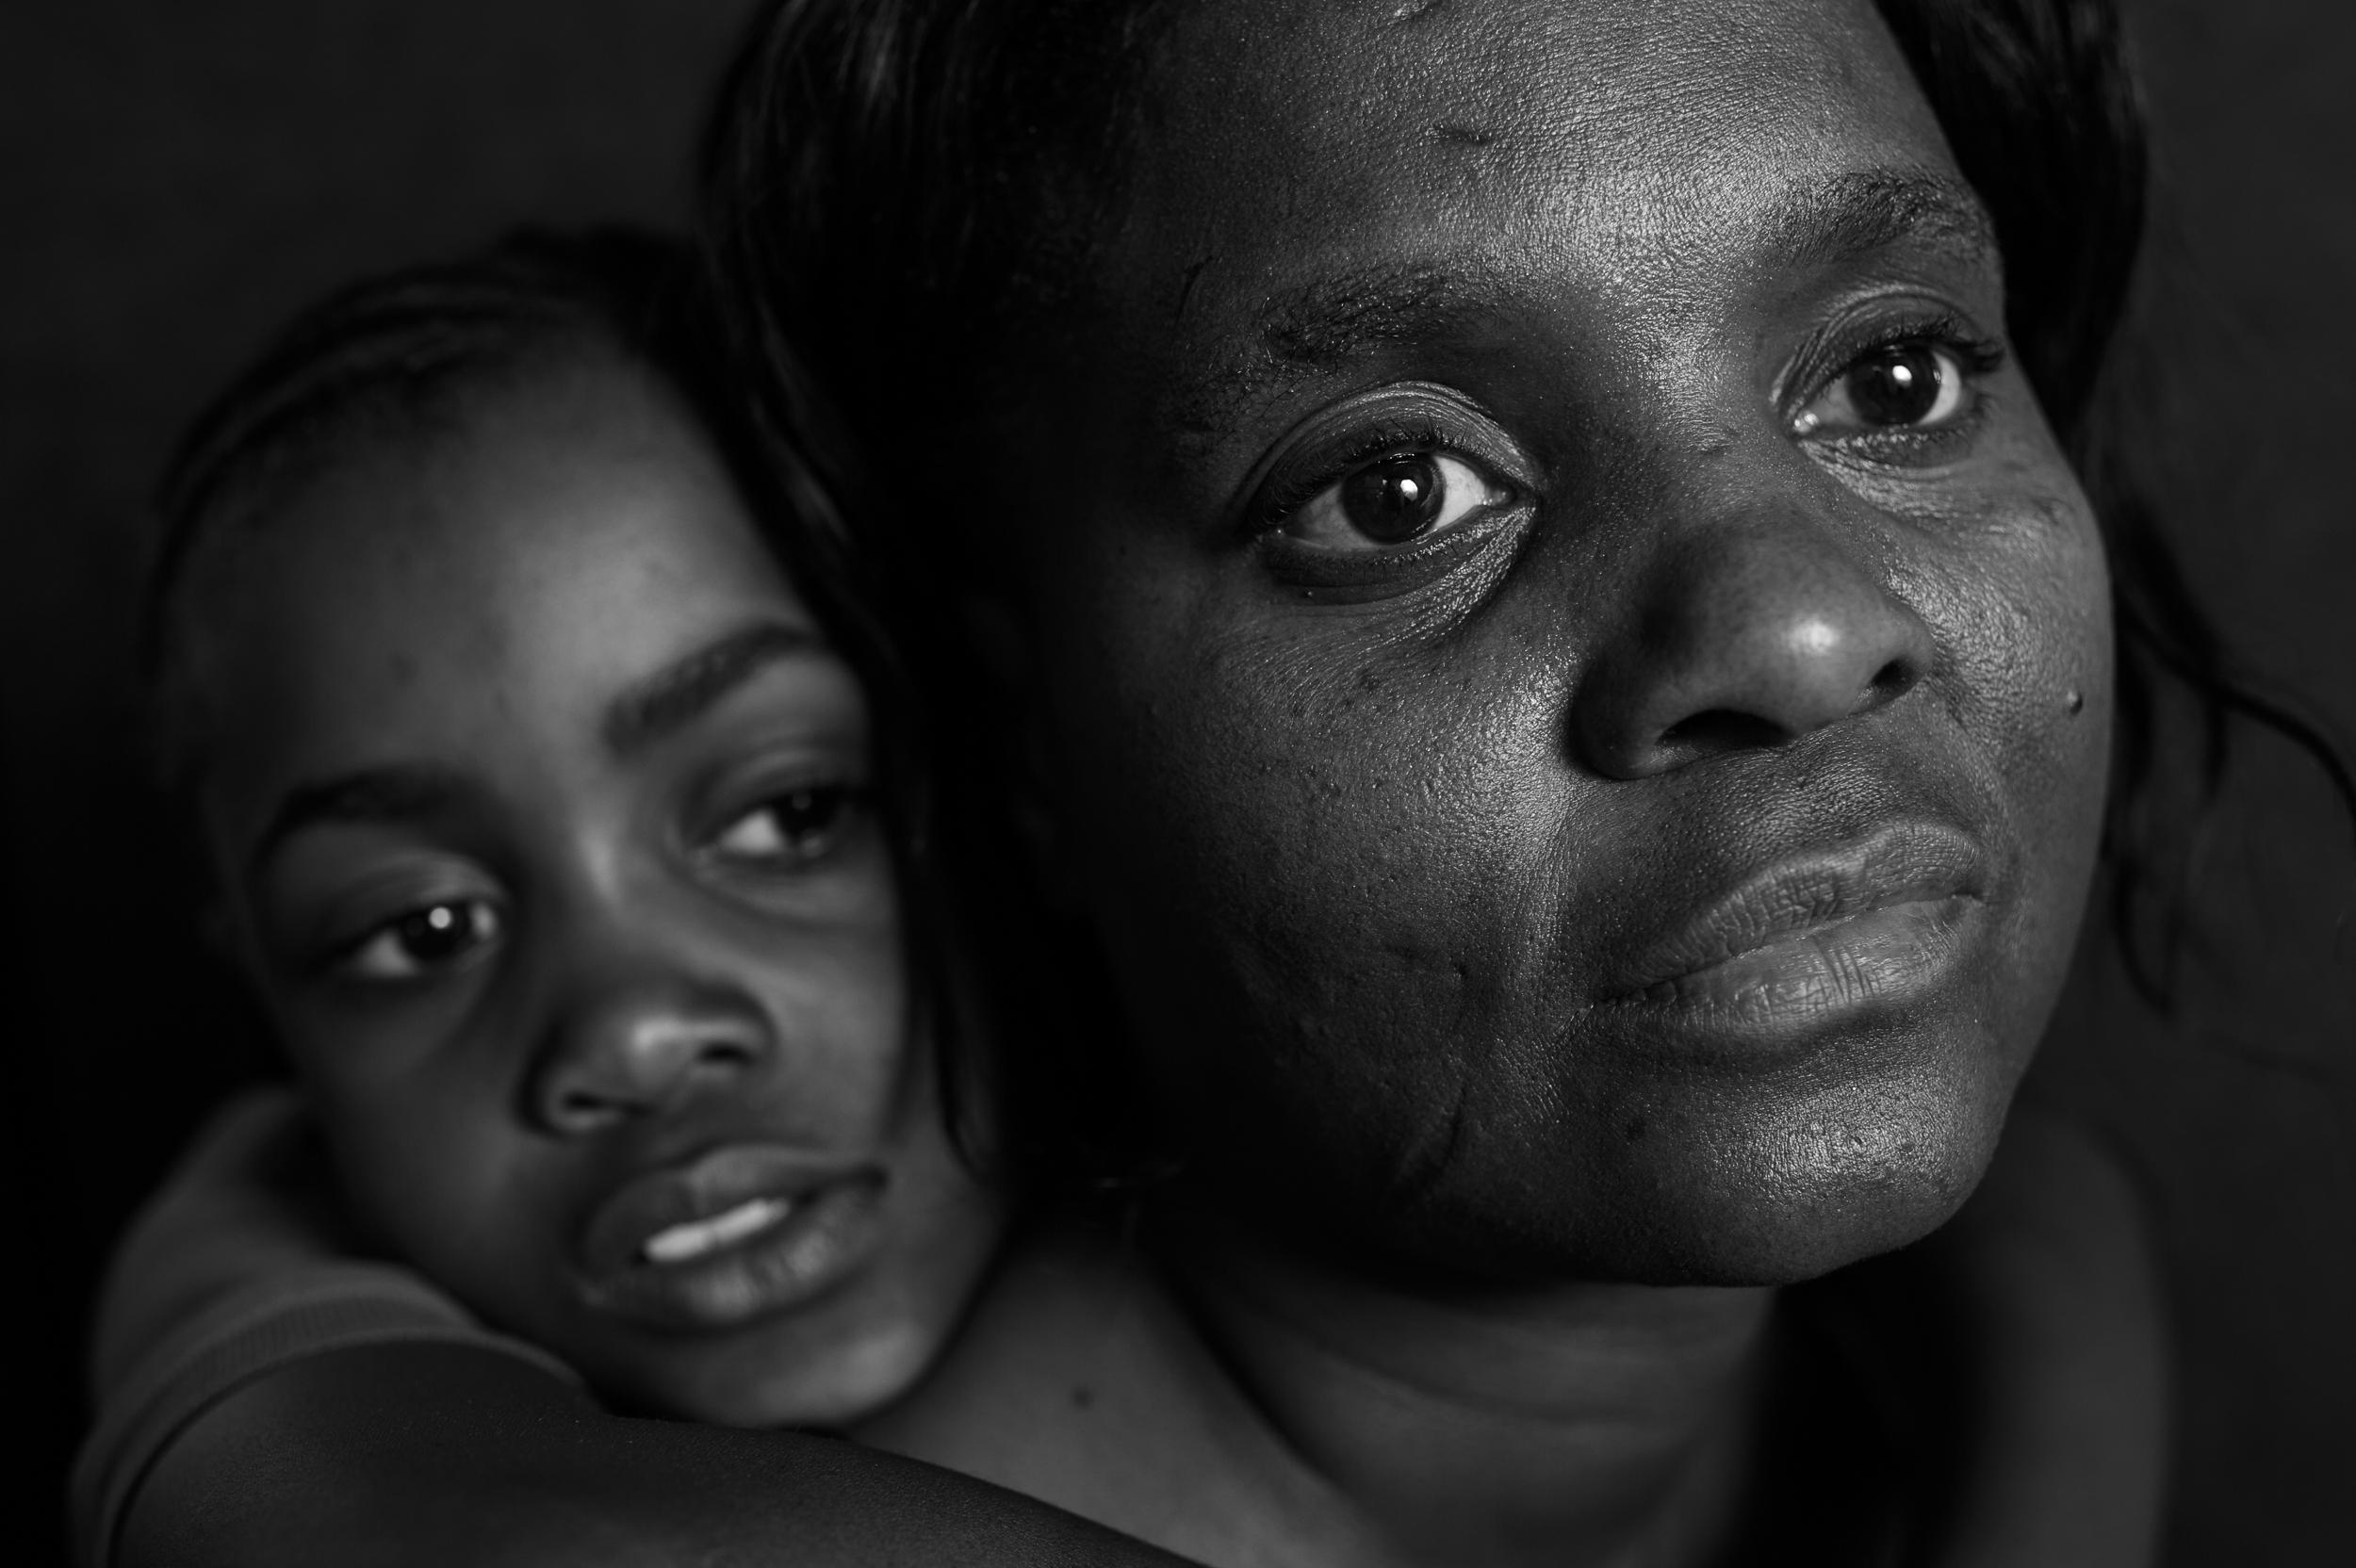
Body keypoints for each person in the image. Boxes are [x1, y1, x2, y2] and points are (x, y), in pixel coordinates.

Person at [104, 0, 2346, 1560]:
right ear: (1005, 744)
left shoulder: (1963, 1335)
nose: (1786, 623)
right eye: (1390, 493)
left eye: (1889, 369)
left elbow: (2057, 1232)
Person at [71, 228, 1128, 1564]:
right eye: (426, 929)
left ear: (1017, 760)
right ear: (271, 1007)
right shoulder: (267, 1236)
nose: (629, 1035)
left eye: (789, 814)